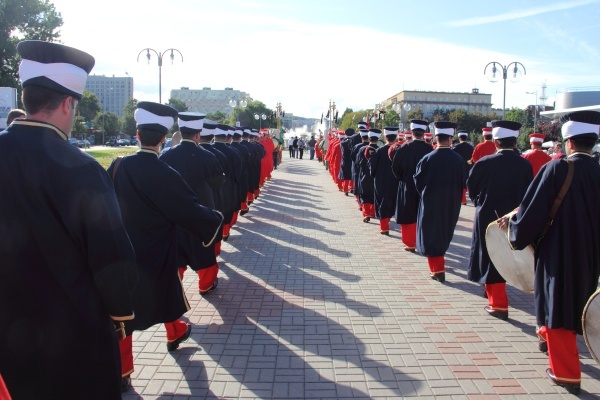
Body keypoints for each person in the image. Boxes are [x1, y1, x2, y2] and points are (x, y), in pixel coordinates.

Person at [0, 40, 137, 399]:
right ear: (67, 103)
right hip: (72, 333)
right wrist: (121, 313)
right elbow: (111, 253)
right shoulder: (81, 168)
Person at [108, 102, 223, 391]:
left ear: (136, 135)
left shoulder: (117, 165)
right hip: (156, 249)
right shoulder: (163, 172)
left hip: (122, 249)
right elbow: (186, 207)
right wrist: (214, 219)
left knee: (123, 311)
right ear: (163, 139)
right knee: (166, 289)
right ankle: (175, 332)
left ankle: (123, 370)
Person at [499, 111, 600, 395]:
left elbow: (533, 209)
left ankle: (566, 372)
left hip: (558, 250)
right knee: (577, 302)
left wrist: (514, 229)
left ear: (568, 142)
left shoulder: (557, 168)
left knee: (557, 306)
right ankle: (544, 336)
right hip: (591, 252)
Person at [466, 120, 533, 320]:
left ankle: (498, 304)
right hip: (514, 216)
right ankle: (498, 293)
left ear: (495, 142)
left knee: (490, 256)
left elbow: (472, 188)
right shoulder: (524, 164)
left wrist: (481, 201)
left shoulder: (485, 162)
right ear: (515, 142)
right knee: (510, 255)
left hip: (488, 215)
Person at [159, 112, 225, 295]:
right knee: (204, 255)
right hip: (200, 214)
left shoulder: (165, 155)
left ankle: (176, 287)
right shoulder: (208, 157)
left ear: (180, 132)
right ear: (197, 134)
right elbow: (218, 184)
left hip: (174, 218)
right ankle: (205, 285)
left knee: (177, 257)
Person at [414, 121, 466, 282]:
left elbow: (418, 181)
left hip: (430, 200)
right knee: (445, 232)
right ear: (450, 139)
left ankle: (437, 269)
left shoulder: (427, 158)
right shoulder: (458, 159)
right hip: (451, 202)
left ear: (436, 138)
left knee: (430, 233)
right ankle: (438, 267)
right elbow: (464, 181)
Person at [392, 120, 433, 252]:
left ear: (412, 132)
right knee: (422, 213)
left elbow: (396, 167)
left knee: (407, 213)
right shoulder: (429, 149)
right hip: (424, 187)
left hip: (407, 184)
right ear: (423, 133)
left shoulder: (404, 147)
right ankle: (420, 240)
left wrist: (402, 178)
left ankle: (409, 243)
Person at [370, 127, 399, 235]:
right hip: (395, 181)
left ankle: (384, 227)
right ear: (395, 137)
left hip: (381, 181)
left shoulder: (379, 151)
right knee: (392, 202)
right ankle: (388, 221)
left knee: (382, 202)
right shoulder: (399, 151)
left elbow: (372, 167)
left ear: (386, 137)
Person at [357, 129, 380, 223]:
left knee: (364, 195)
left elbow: (357, 162)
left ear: (369, 138)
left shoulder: (362, 149)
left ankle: (366, 214)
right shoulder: (379, 150)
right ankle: (372, 212)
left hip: (364, 175)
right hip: (375, 176)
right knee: (373, 195)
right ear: (378, 139)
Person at [452, 130, 474, 205]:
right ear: (467, 137)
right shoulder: (471, 147)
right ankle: (463, 199)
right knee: (465, 183)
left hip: (458, 167)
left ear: (459, 138)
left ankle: (462, 199)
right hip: (468, 166)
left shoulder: (455, 147)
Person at [338, 128, 355, 195]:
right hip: (352, 161)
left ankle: (345, 189)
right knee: (352, 176)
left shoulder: (343, 143)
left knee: (346, 177)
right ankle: (351, 188)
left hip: (345, 161)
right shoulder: (354, 143)